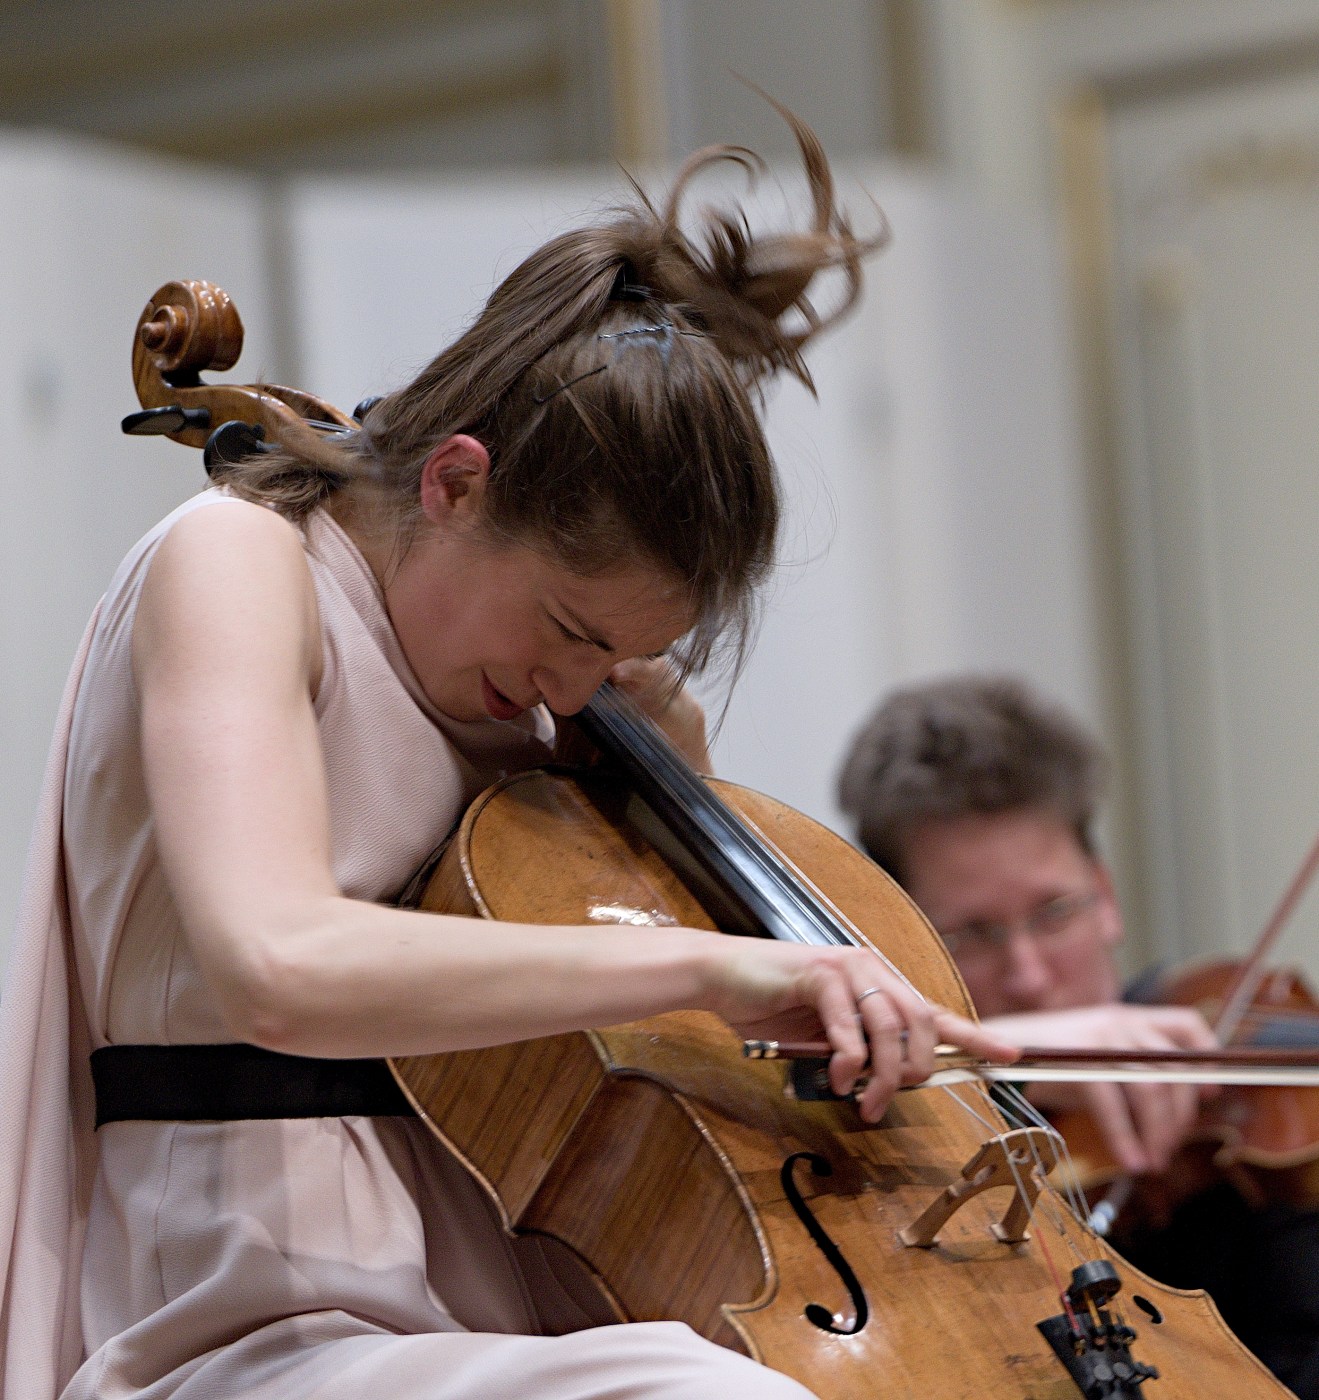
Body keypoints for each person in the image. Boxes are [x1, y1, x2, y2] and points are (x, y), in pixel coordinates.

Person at [0, 112, 1013, 1400]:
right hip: (234, 1317)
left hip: (491, 1306)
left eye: (622, 657)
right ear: (454, 482)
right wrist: (707, 964)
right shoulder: (239, 559)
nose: (573, 690)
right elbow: (276, 964)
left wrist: (665, 763)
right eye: (570, 630)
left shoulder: (550, 710)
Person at [837, 674, 1319, 1399]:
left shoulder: (1243, 1119)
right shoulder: (889, 1130)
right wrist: (1004, 1068)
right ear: (905, 944)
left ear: (1107, 898)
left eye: (1054, 912)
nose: (1029, 975)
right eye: (971, 934)